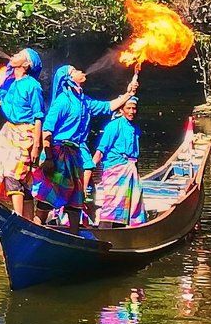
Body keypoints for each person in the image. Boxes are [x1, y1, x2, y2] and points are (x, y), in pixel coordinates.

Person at [31, 64, 137, 233]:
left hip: (76, 156)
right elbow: (47, 131)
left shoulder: (84, 101)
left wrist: (129, 94)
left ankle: (74, 236)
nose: (81, 71)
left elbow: (108, 106)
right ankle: (35, 229)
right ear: (69, 79)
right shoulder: (62, 101)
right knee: (50, 196)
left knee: (76, 199)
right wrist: (49, 158)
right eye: (76, 70)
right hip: (60, 154)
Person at [0, 49, 46, 221]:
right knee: (17, 178)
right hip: (9, 133)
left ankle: (19, 220)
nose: (14, 55)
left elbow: (38, 117)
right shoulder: (10, 85)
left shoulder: (32, 85)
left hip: (26, 134)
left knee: (14, 175)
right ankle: (27, 221)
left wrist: (37, 145)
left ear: (27, 64)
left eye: (20, 54)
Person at [92, 97, 146, 227]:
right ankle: (104, 231)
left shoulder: (135, 128)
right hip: (115, 168)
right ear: (121, 110)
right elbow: (101, 149)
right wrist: (90, 168)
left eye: (134, 108)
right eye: (128, 108)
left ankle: (123, 228)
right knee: (112, 201)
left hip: (131, 170)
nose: (132, 111)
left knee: (130, 201)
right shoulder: (113, 126)